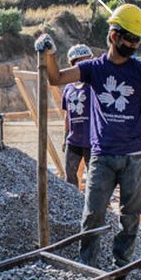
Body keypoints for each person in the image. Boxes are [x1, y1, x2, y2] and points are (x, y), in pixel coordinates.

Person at [38, 3, 141, 280]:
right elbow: (55, 79)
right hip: (102, 156)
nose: (133, 44)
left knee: (129, 218)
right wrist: (50, 53)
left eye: (137, 40)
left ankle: (120, 277)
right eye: (128, 38)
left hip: (134, 157)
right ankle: (88, 276)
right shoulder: (94, 69)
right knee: (92, 216)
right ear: (113, 35)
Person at [61, 44, 95, 187]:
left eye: (86, 61)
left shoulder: (94, 85)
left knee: (95, 177)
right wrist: (65, 137)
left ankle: (100, 206)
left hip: (92, 141)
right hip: (73, 140)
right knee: (69, 176)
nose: (82, 65)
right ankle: (73, 206)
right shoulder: (68, 89)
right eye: (78, 62)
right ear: (72, 64)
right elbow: (67, 115)